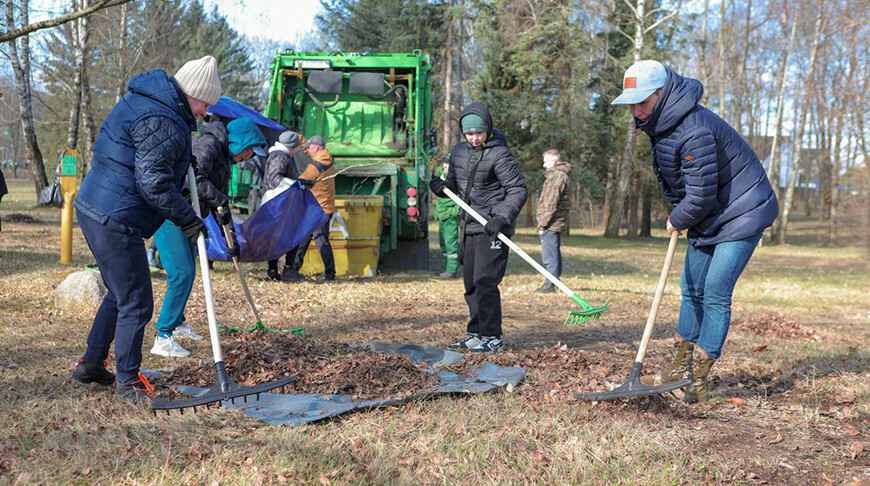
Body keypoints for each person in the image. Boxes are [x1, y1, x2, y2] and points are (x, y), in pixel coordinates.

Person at [611, 60, 778, 402]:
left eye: (642, 102)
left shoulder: (693, 129)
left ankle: (698, 380)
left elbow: (700, 194)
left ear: (662, 94)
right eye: (632, 103)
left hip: (742, 213)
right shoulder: (662, 124)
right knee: (691, 288)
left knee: (714, 290)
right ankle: (678, 366)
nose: (636, 110)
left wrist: (678, 217)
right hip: (710, 216)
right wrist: (683, 212)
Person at [72, 55, 222, 403]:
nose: (204, 112)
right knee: (137, 302)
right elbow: (153, 183)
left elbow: (149, 164)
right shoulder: (165, 119)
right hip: (115, 216)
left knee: (119, 293)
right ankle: (128, 383)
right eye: (205, 104)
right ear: (193, 94)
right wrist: (187, 219)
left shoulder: (146, 100)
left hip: (95, 205)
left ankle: (92, 365)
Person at [430, 102, 528, 353]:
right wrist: (440, 188)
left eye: (479, 133)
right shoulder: (460, 152)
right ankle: (475, 333)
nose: (474, 138)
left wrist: (501, 218)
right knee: (471, 283)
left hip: (493, 227)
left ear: (488, 129)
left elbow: (517, 190)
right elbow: (452, 187)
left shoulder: (500, 154)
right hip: (470, 226)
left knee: (486, 282)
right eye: (469, 133)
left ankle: (492, 335)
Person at [282, 135, 336, 282]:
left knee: (320, 240)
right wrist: (304, 148)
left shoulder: (320, 162)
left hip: (320, 208)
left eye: (310, 147)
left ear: (317, 147)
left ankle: (330, 274)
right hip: (319, 207)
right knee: (304, 238)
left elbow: (304, 179)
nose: (308, 150)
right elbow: (309, 153)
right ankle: (293, 269)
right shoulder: (325, 157)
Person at [263, 130, 305, 281]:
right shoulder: (280, 156)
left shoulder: (280, 155)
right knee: (289, 235)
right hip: (278, 203)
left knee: (281, 236)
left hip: (279, 202)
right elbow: (275, 179)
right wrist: (296, 183)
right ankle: (280, 270)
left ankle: (276, 270)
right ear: (291, 146)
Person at [535, 149, 571, 293]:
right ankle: (553, 281)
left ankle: (550, 284)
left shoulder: (557, 177)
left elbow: (551, 202)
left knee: (549, 253)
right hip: (553, 220)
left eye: (545, 161)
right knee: (552, 251)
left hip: (552, 221)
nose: (544, 165)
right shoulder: (557, 176)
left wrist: (543, 223)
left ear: (554, 161)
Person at [434, 160, 461, 278]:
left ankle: (451, 270)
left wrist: (452, 213)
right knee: (443, 243)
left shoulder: (457, 181)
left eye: (448, 167)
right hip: (442, 216)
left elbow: (460, 203)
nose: (446, 169)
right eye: (444, 167)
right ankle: (446, 266)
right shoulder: (440, 177)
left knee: (451, 243)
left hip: (450, 218)